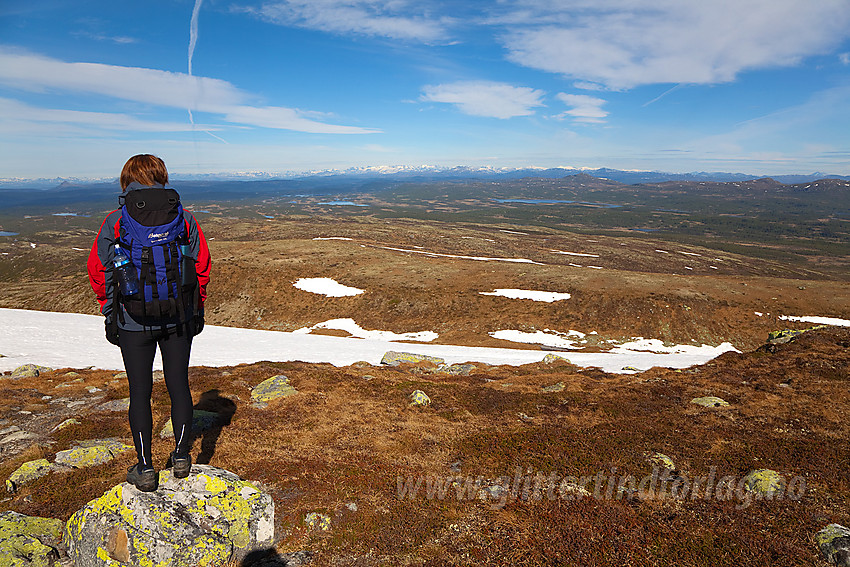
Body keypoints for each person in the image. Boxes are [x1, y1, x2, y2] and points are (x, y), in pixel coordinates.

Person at [87, 154, 211, 491]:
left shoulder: (116, 219)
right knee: (178, 385)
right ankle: (182, 457)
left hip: (132, 321)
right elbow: (201, 266)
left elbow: (99, 270)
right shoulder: (184, 218)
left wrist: (109, 311)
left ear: (127, 180)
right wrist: (195, 308)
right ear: (162, 176)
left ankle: (144, 467)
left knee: (139, 392)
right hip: (179, 318)